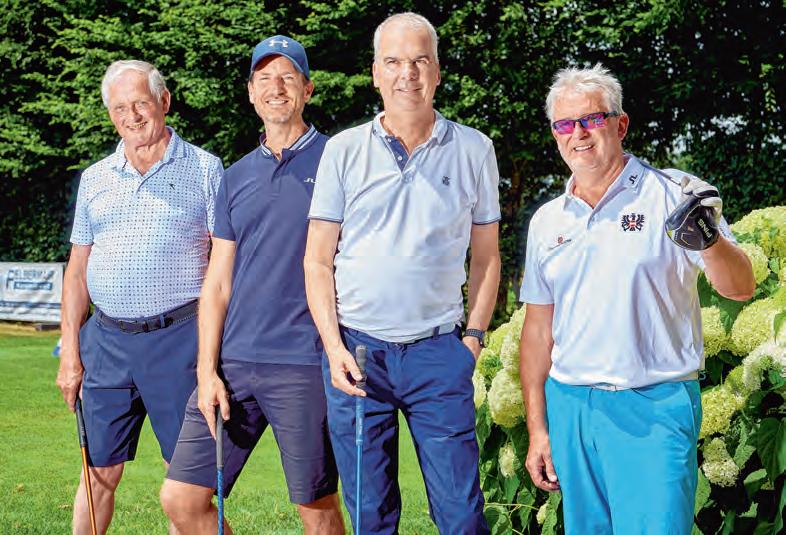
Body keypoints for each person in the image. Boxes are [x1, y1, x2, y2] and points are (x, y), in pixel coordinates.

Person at [519, 63, 756, 534]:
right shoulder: (547, 220)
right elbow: (538, 330)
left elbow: (741, 287)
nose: (578, 134)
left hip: (653, 404)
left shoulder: (673, 194)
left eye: (592, 119)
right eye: (564, 124)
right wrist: (538, 428)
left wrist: (710, 239)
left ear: (620, 124)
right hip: (572, 407)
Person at [305, 12, 501, 535]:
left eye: (419, 61)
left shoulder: (475, 149)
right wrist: (333, 347)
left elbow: (487, 256)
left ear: (436, 71)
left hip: (439, 353)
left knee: (462, 515)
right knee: (371, 516)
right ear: (375, 73)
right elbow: (317, 260)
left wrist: (473, 339)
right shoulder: (343, 151)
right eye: (393, 62)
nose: (407, 74)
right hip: (357, 355)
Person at [159, 36, 344, 535]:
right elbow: (217, 281)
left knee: (317, 508)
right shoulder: (235, 175)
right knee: (181, 498)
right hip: (234, 364)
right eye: (264, 79)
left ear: (307, 89)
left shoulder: (339, 161)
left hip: (304, 362)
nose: (275, 88)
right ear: (250, 93)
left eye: (287, 77)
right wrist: (206, 370)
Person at [55, 59, 223, 534]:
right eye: (119, 108)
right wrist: (70, 354)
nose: (131, 116)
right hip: (107, 344)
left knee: (185, 486)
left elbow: (223, 262)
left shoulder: (205, 168)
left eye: (140, 104)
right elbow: (77, 272)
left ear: (163, 102)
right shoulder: (96, 177)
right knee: (97, 474)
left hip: (180, 341)